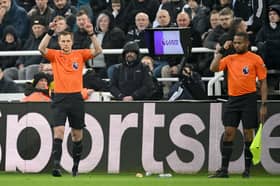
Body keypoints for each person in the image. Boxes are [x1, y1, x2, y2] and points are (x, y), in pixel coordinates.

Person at [38, 19, 102, 177]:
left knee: (76, 135)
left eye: (68, 41)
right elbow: (41, 48)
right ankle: (56, 166)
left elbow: (98, 50)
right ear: (59, 43)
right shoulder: (55, 55)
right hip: (59, 98)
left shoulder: (79, 54)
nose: (65, 43)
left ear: (72, 42)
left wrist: (91, 34)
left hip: (76, 98)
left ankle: (75, 167)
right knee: (58, 131)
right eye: (63, 41)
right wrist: (50, 32)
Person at [209, 32, 267, 178]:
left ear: (247, 43)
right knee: (228, 133)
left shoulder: (255, 59)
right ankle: (224, 170)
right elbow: (213, 68)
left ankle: (247, 170)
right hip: (233, 99)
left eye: (239, 43)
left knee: (248, 134)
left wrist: (264, 104)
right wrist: (221, 51)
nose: (236, 45)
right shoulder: (229, 58)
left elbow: (263, 81)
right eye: (235, 43)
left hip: (249, 99)